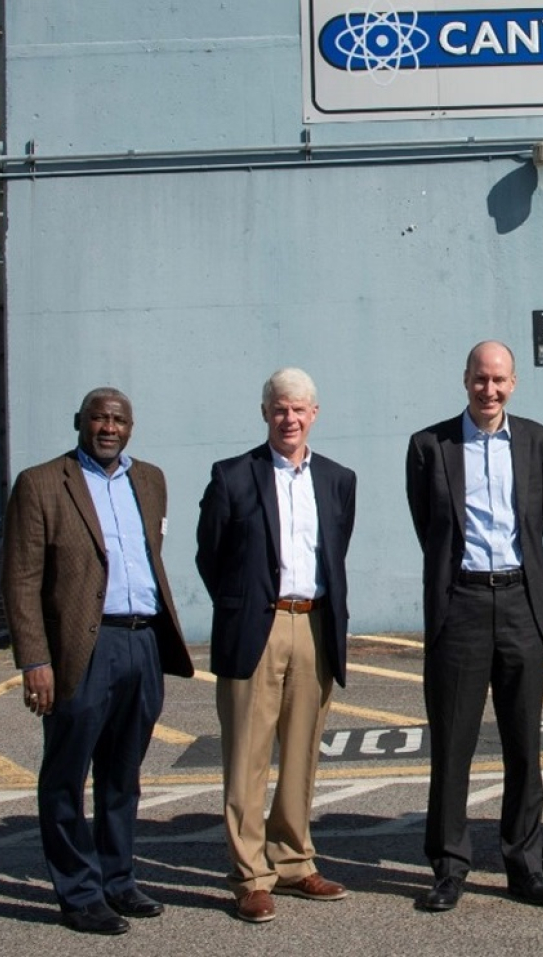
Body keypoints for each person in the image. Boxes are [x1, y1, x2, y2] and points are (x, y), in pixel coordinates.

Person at [2, 388, 193, 934]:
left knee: (122, 776)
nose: (108, 427)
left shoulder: (150, 479)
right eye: (98, 419)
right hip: (81, 649)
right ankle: (79, 893)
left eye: (118, 420)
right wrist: (35, 659)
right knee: (66, 775)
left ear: (130, 427)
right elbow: (21, 579)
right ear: (79, 422)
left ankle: (118, 879)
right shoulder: (42, 483)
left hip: (144, 642)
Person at [196, 368, 356, 923]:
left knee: (302, 753)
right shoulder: (232, 476)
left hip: (313, 625)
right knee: (246, 756)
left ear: (315, 415)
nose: (289, 419)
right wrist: (242, 605)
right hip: (256, 628)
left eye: (299, 410)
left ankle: (292, 861)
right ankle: (250, 877)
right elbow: (209, 556)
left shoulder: (338, 479)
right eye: (279, 409)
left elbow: (335, 554)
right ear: (265, 413)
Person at [405, 340, 543, 911]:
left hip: (521, 600)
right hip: (461, 604)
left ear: (513, 383)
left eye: (499, 380)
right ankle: (449, 867)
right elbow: (432, 529)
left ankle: (524, 866)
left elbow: (535, 518)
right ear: (465, 380)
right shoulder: (430, 445)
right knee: (452, 744)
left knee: (524, 745)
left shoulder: (538, 441)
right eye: (479, 379)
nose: (488, 390)